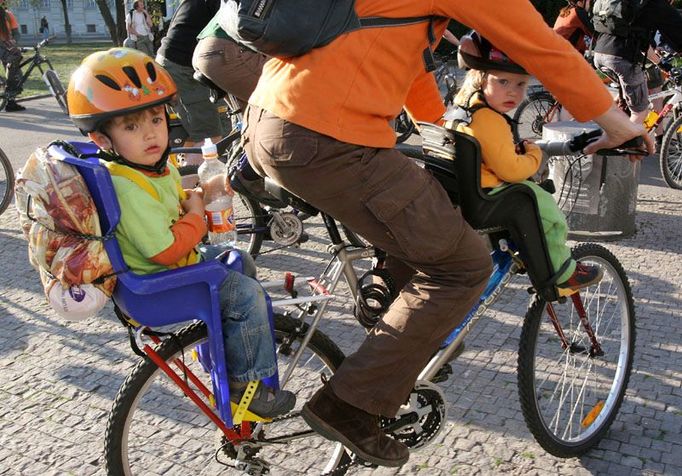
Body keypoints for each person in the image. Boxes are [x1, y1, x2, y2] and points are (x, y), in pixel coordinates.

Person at [242, 0, 651, 468]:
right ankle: (349, 403)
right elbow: (540, 46)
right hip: (328, 137)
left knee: (425, 217)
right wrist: (616, 123)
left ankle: (398, 322)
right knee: (462, 266)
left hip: (274, 121)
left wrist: (444, 132)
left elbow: (409, 65)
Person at [65, 48, 295, 417]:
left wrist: (200, 194)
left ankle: (233, 343)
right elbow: (166, 250)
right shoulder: (128, 185)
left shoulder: (146, 168)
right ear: (101, 140)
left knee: (241, 261)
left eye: (156, 119)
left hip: (170, 270)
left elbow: (171, 201)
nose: (151, 134)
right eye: (131, 126)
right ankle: (248, 389)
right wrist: (199, 216)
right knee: (246, 294)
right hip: (159, 282)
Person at [454, 31, 603, 295]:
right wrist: (533, 157)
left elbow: (494, 153)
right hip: (490, 195)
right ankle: (560, 273)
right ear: (480, 77)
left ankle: (524, 250)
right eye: (503, 81)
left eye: (521, 84)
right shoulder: (489, 119)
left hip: (466, 191)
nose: (513, 91)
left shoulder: (467, 107)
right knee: (546, 210)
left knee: (531, 199)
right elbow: (511, 170)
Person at [155, 0, 225, 166]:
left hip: (172, 62)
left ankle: (180, 175)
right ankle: (191, 189)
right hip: (182, 68)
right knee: (209, 137)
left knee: (193, 133)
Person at [592, 0, 682, 124]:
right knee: (640, 111)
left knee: (627, 101)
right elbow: (678, 32)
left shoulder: (635, 6)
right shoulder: (657, 5)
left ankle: (615, 130)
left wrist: (663, 65)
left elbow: (643, 45)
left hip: (600, 54)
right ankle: (627, 141)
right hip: (621, 59)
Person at [0, 3, 25, 112]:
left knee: (16, 74)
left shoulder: (8, 15)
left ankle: (11, 102)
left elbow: (16, 34)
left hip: (8, 47)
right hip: (3, 47)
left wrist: (14, 41)